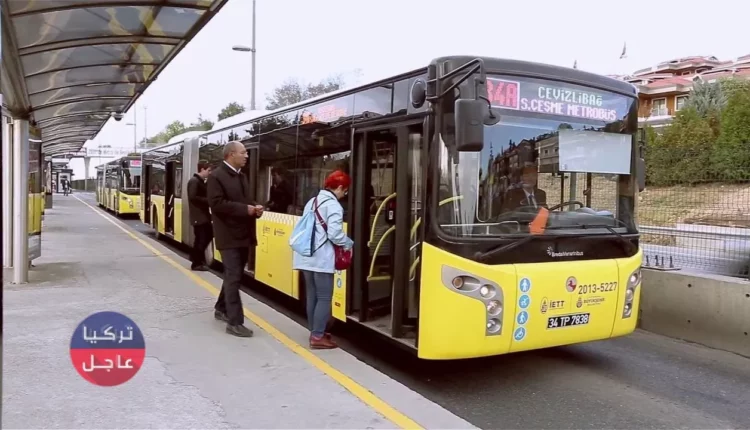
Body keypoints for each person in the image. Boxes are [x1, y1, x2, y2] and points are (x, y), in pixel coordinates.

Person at [206, 141, 264, 338]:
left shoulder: (241, 176)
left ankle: (221, 308)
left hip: (244, 234)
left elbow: (244, 202)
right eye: (243, 152)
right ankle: (234, 322)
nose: (246, 156)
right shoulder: (216, 176)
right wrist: (245, 209)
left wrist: (255, 208)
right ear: (231, 154)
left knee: (235, 275)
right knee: (233, 277)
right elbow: (217, 204)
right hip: (228, 235)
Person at [292, 170, 354, 349]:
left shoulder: (312, 201)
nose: (344, 195)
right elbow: (334, 234)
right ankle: (318, 336)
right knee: (325, 297)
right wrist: (348, 243)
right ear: (340, 187)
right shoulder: (334, 206)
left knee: (312, 295)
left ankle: (315, 331)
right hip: (321, 258)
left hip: (305, 256)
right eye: (345, 191)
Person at [187, 161, 213, 271]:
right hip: (198, 216)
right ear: (202, 169)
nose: (210, 173)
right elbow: (193, 197)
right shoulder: (194, 181)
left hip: (203, 215)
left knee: (205, 237)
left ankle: (195, 257)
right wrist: (208, 201)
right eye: (209, 170)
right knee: (202, 239)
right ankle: (196, 263)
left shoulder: (200, 181)